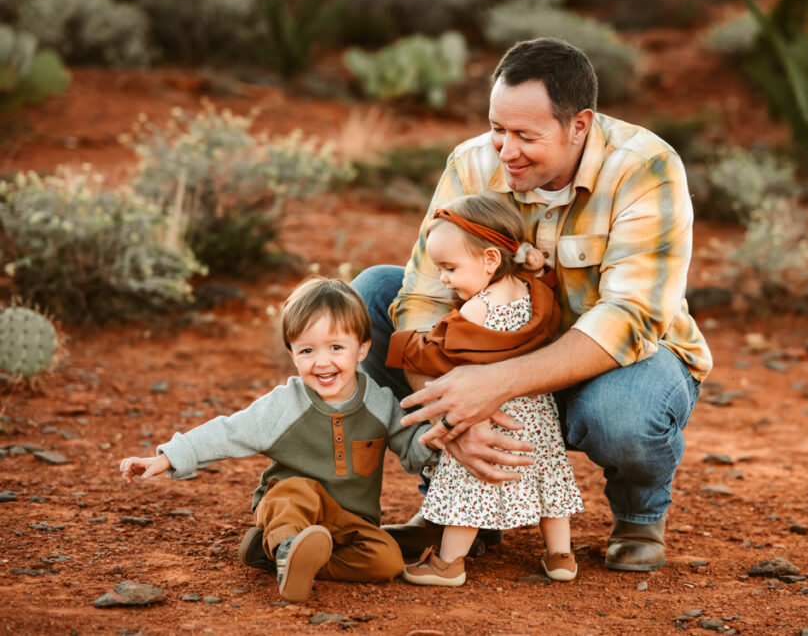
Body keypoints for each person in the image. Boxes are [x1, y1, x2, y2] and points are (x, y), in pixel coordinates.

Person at [352, 37, 712, 573]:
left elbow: (630, 319)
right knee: (375, 294)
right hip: (492, 355)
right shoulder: (473, 162)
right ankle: (457, 498)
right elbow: (426, 294)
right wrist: (456, 417)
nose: (505, 150)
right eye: (498, 128)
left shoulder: (645, 167)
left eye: (526, 135)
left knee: (624, 414)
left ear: (579, 125)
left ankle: (639, 513)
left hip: (610, 366)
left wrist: (495, 385)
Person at [118, 276, 439, 602]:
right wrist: (168, 457)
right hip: (290, 510)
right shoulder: (286, 404)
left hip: (348, 523)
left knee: (387, 559)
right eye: (307, 350)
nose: (322, 361)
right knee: (296, 489)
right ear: (292, 353)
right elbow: (230, 431)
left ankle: (278, 555)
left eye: (336, 347)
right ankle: (286, 546)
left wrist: (435, 439)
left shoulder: (380, 403)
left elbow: (411, 446)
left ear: (363, 348)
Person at [386, 194, 584, 586]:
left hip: (491, 411)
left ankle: (448, 564)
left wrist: (404, 344)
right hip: (536, 411)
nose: (443, 278)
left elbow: (439, 352)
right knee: (546, 476)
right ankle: (560, 556)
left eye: (450, 268)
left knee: (472, 480)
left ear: (490, 259)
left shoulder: (477, 309)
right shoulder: (534, 293)